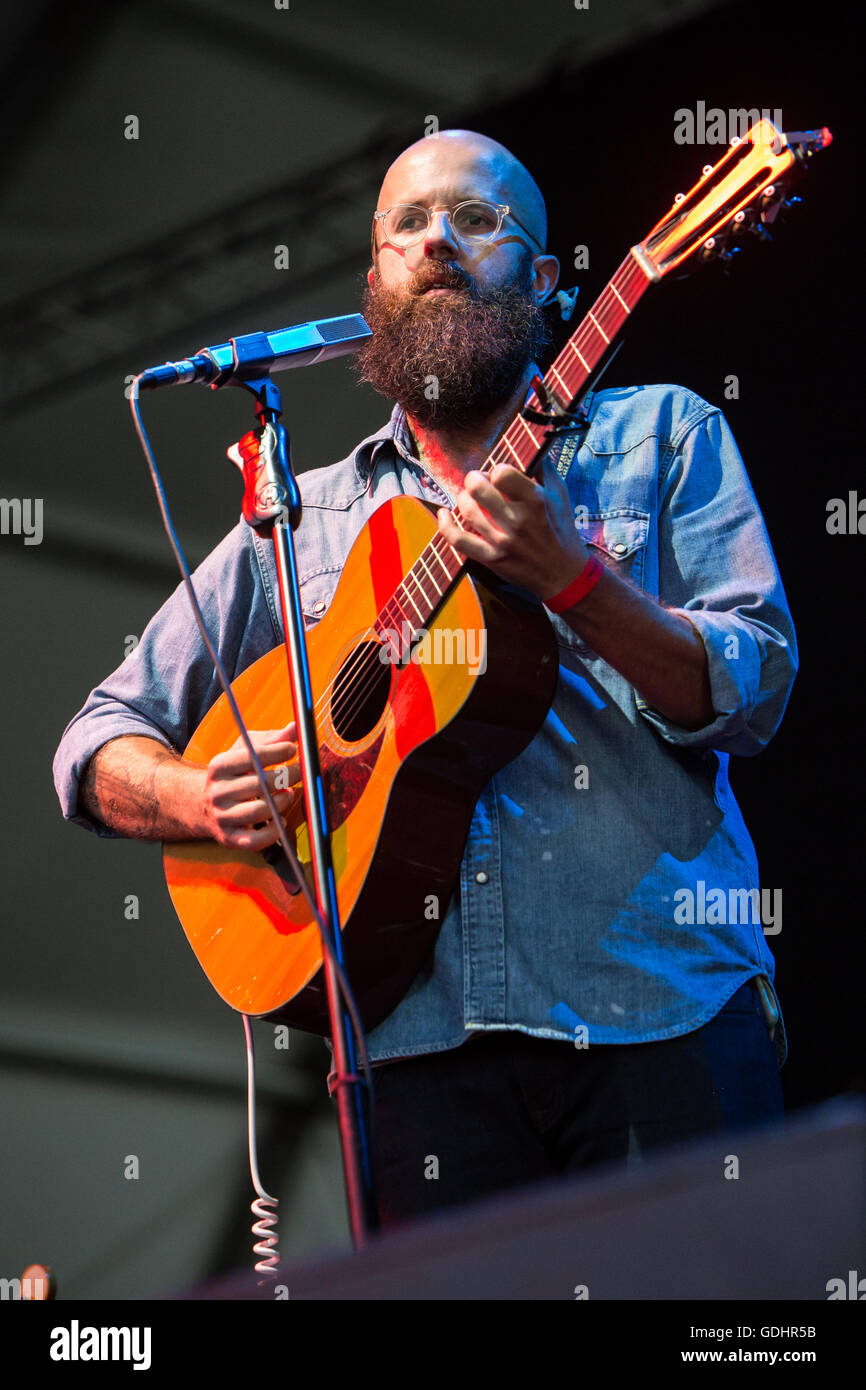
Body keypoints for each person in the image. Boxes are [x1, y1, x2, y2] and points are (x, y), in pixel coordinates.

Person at [53, 129, 797, 1229]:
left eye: (477, 219)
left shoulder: (661, 438)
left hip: (657, 1017)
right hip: (411, 1055)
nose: (436, 241)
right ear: (372, 279)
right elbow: (95, 739)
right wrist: (193, 795)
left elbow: (754, 687)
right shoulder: (298, 518)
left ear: (544, 280)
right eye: (406, 224)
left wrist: (576, 580)